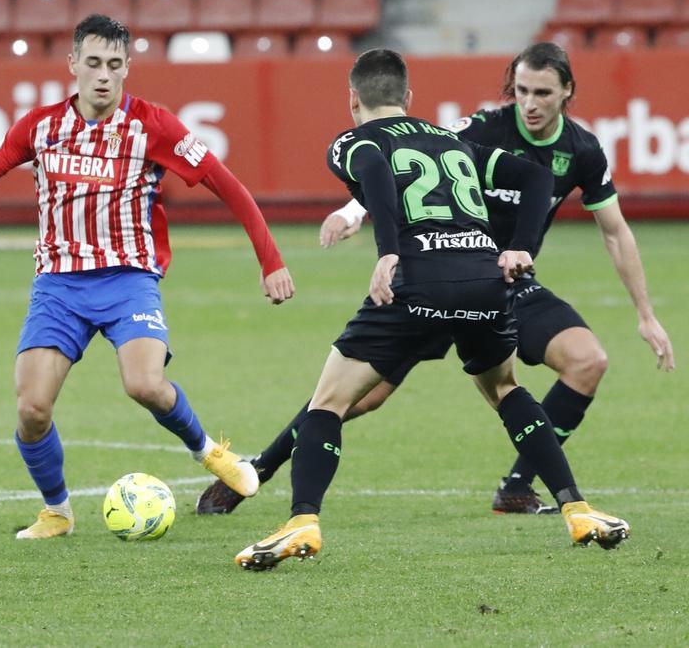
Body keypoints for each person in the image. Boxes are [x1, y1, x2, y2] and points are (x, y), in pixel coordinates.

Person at [198, 42, 675, 517]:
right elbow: (406, 157)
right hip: (445, 273)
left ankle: (517, 487)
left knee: (586, 361)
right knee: (364, 400)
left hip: (500, 278)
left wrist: (646, 314)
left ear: (567, 92)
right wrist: (353, 210)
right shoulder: (481, 128)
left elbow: (615, 231)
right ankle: (262, 467)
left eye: (543, 93)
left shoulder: (582, 149)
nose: (530, 103)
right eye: (522, 90)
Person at [0, 14, 295, 540]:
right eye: (93, 64)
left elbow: (228, 186)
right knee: (31, 408)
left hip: (128, 278)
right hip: (59, 286)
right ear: (73, 65)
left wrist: (270, 260)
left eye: (114, 65)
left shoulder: (153, 126)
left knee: (145, 384)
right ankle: (58, 512)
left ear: (128, 69)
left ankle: (209, 452)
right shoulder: (39, 128)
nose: (103, 75)